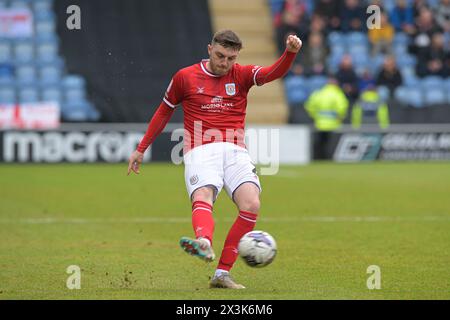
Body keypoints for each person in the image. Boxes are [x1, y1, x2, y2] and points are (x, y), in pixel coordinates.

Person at [127, 30, 302, 289]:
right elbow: (164, 110)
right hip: (200, 149)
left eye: (231, 58)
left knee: (251, 204)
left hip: (235, 150)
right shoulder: (185, 77)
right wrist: (142, 148)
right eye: (220, 55)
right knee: (204, 195)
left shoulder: (241, 74)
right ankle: (204, 241)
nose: (225, 63)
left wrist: (290, 53)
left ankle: (221, 274)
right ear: (209, 49)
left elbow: (270, 74)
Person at [305, 76, 349, 159]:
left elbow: (309, 106)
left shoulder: (318, 93)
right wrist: (340, 117)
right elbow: (342, 107)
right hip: (333, 124)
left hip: (319, 123)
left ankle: (318, 158)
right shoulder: (337, 94)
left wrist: (315, 116)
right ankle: (329, 158)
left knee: (320, 142)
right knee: (331, 144)